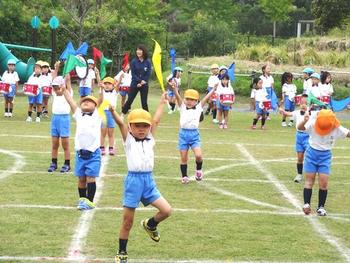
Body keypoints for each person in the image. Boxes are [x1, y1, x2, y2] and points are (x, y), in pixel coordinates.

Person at [109, 94, 172, 263]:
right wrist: (113, 112)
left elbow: (156, 121)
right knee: (128, 221)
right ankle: (122, 251)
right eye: (137, 126)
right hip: (134, 182)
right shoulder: (128, 140)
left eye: (145, 126)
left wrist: (161, 103)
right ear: (131, 127)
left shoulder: (150, 138)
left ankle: (150, 224)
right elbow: (120, 123)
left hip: (148, 181)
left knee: (166, 211)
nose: (142, 129)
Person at [298, 109, 350, 216]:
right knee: (309, 180)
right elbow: (300, 128)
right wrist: (304, 120)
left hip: (325, 156)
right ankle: (306, 204)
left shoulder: (336, 128)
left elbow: (347, 133)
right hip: (311, 154)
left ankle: (321, 207)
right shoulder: (313, 123)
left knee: (324, 182)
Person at [63, 81, 104, 210]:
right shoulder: (79, 115)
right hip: (80, 154)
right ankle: (82, 199)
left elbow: (101, 100)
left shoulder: (97, 115)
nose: (86, 102)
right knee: (81, 178)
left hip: (93, 154)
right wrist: (64, 90)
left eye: (90, 101)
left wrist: (101, 90)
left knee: (90, 178)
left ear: (95, 105)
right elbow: (71, 102)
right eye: (84, 101)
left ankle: (90, 201)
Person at [172, 86, 217, 184]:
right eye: (187, 99)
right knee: (184, 158)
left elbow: (206, 98)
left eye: (192, 100)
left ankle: (198, 171)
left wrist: (213, 90)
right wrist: (175, 89)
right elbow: (177, 96)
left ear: (196, 101)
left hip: (194, 134)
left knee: (199, 155)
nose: (189, 101)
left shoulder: (199, 108)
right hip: (183, 134)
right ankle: (184, 176)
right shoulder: (182, 107)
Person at [279, 94, 316, 183]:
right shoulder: (296, 112)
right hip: (299, 137)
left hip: (308, 136)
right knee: (300, 158)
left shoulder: (312, 114)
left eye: (306, 103)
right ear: (299, 103)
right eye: (302, 102)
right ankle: (299, 175)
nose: (303, 105)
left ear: (310, 105)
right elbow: (287, 114)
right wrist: (282, 110)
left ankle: (311, 173)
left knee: (310, 156)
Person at [47, 73, 72, 173]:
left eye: (58, 87)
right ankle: (54, 162)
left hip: (64, 119)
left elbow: (68, 83)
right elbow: (53, 77)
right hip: (55, 119)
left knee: (65, 144)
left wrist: (67, 78)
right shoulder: (54, 93)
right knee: (55, 144)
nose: (56, 90)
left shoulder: (68, 93)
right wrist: (56, 68)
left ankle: (67, 163)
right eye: (55, 88)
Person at [121, 45, 152, 117]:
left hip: (144, 84)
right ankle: (122, 115)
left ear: (143, 51)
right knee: (129, 100)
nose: (138, 52)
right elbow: (133, 74)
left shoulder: (148, 62)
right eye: (137, 50)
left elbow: (148, 73)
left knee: (144, 102)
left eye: (140, 50)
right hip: (135, 84)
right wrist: (139, 82)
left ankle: (147, 116)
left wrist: (143, 82)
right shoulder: (134, 61)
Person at [100, 77, 118, 156]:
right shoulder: (102, 91)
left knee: (111, 132)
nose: (107, 85)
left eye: (109, 84)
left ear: (113, 85)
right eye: (105, 83)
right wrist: (97, 75)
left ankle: (111, 148)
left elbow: (118, 84)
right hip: (103, 112)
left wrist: (120, 78)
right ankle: (101, 147)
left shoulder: (115, 92)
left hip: (111, 113)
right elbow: (100, 83)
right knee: (103, 132)